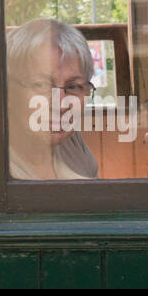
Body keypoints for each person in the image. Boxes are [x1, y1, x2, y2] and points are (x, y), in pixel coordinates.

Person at [7, 18, 99, 180]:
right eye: (41, 85)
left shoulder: (72, 144)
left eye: (73, 87)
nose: (60, 105)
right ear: (7, 92)